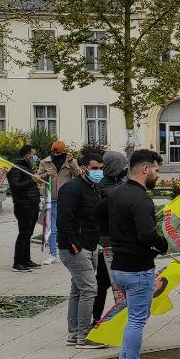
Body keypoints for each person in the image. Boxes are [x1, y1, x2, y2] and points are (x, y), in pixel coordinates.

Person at [95, 149, 169, 359]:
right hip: (137, 268)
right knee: (137, 319)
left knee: (133, 317)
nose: (157, 174)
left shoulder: (116, 193)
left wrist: (117, 236)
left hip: (119, 266)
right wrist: (163, 245)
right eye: (156, 170)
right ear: (145, 169)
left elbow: (97, 215)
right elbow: (148, 234)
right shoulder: (141, 199)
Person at [56, 150, 107, 348]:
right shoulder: (71, 189)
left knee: (78, 289)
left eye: (101, 168)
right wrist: (75, 245)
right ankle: (84, 336)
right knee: (89, 289)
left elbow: (93, 218)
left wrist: (95, 244)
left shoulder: (93, 187)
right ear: (84, 168)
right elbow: (64, 221)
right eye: (95, 168)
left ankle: (74, 333)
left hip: (89, 246)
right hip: (76, 248)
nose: (99, 171)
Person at [92, 150, 127, 322]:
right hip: (107, 242)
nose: (126, 168)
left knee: (119, 283)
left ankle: (119, 318)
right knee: (103, 282)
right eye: (123, 165)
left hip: (120, 240)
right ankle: (96, 318)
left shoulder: (120, 183)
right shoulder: (104, 186)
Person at [38, 141, 80, 265]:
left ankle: (73, 250)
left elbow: (78, 174)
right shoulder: (45, 162)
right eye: (54, 152)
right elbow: (38, 177)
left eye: (58, 152)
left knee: (69, 226)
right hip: (51, 199)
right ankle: (52, 253)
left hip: (66, 200)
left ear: (63, 152)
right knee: (52, 228)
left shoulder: (70, 161)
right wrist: (46, 174)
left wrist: (72, 162)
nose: (56, 154)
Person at [6, 145, 43, 272]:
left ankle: (26, 260)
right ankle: (18, 263)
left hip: (32, 204)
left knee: (28, 234)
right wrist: (32, 180)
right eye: (34, 154)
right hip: (23, 205)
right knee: (24, 233)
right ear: (27, 155)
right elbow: (15, 186)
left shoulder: (26, 167)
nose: (35, 157)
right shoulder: (15, 168)